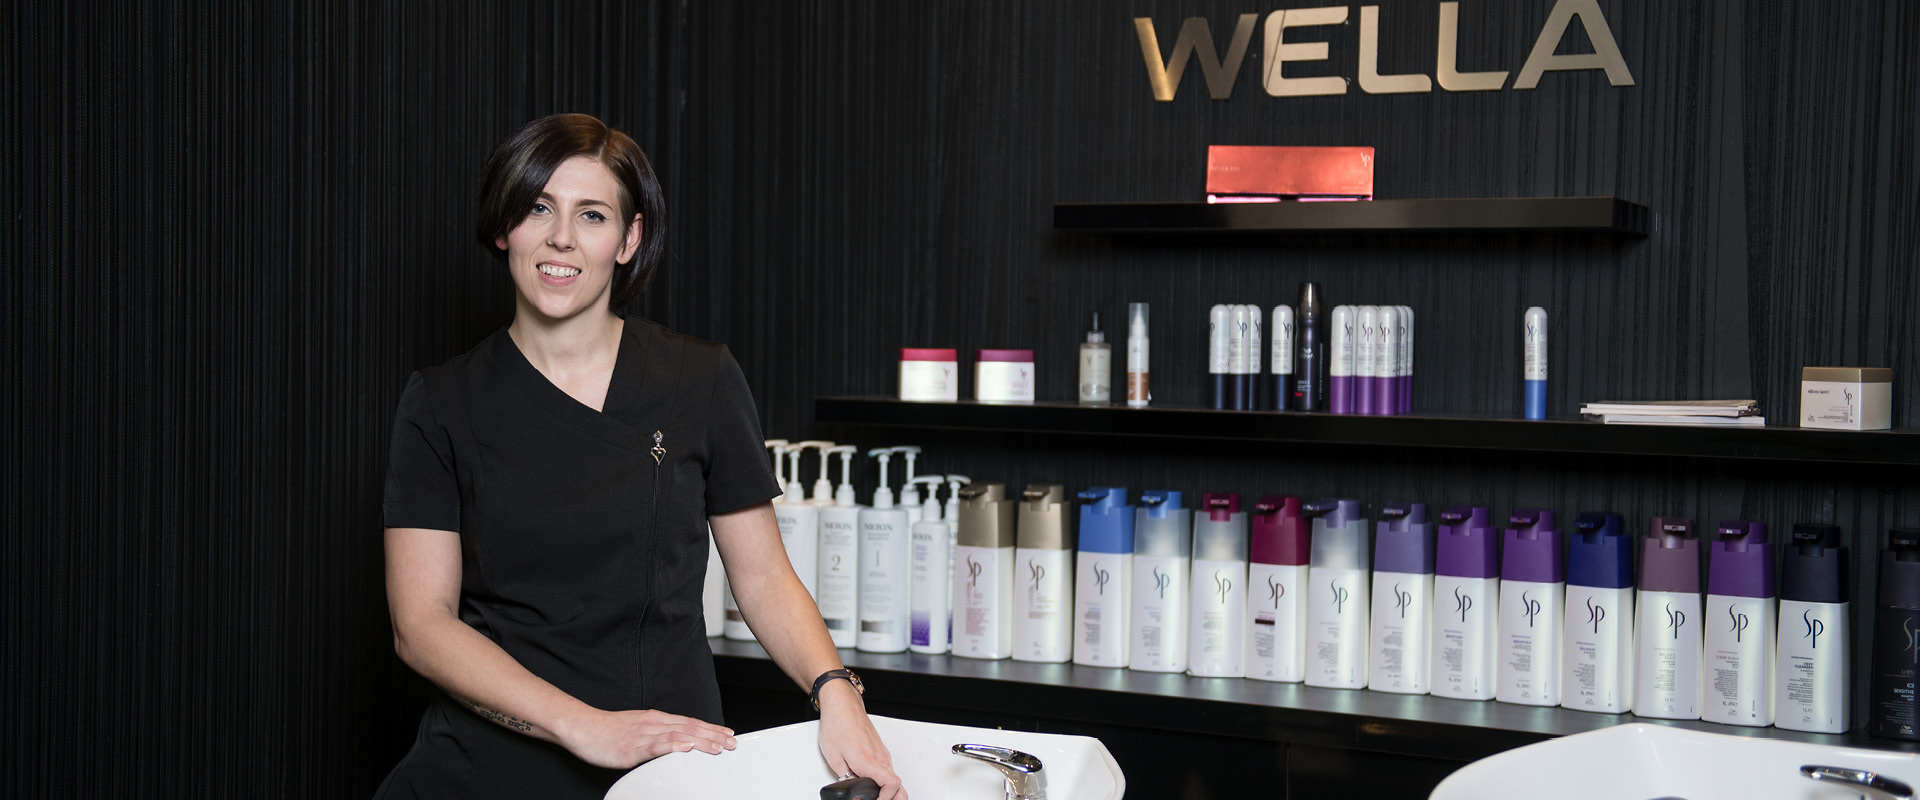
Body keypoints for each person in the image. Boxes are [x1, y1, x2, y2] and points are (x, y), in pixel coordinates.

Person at [376, 113, 904, 799]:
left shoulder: (700, 379)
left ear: (628, 240)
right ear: (505, 227)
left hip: (669, 766)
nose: (560, 237)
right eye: (539, 207)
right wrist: (580, 725)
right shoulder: (441, 403)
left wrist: (836, 693)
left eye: (591, 215)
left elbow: (765, 578)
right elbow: (421, 626)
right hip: (486, 769)